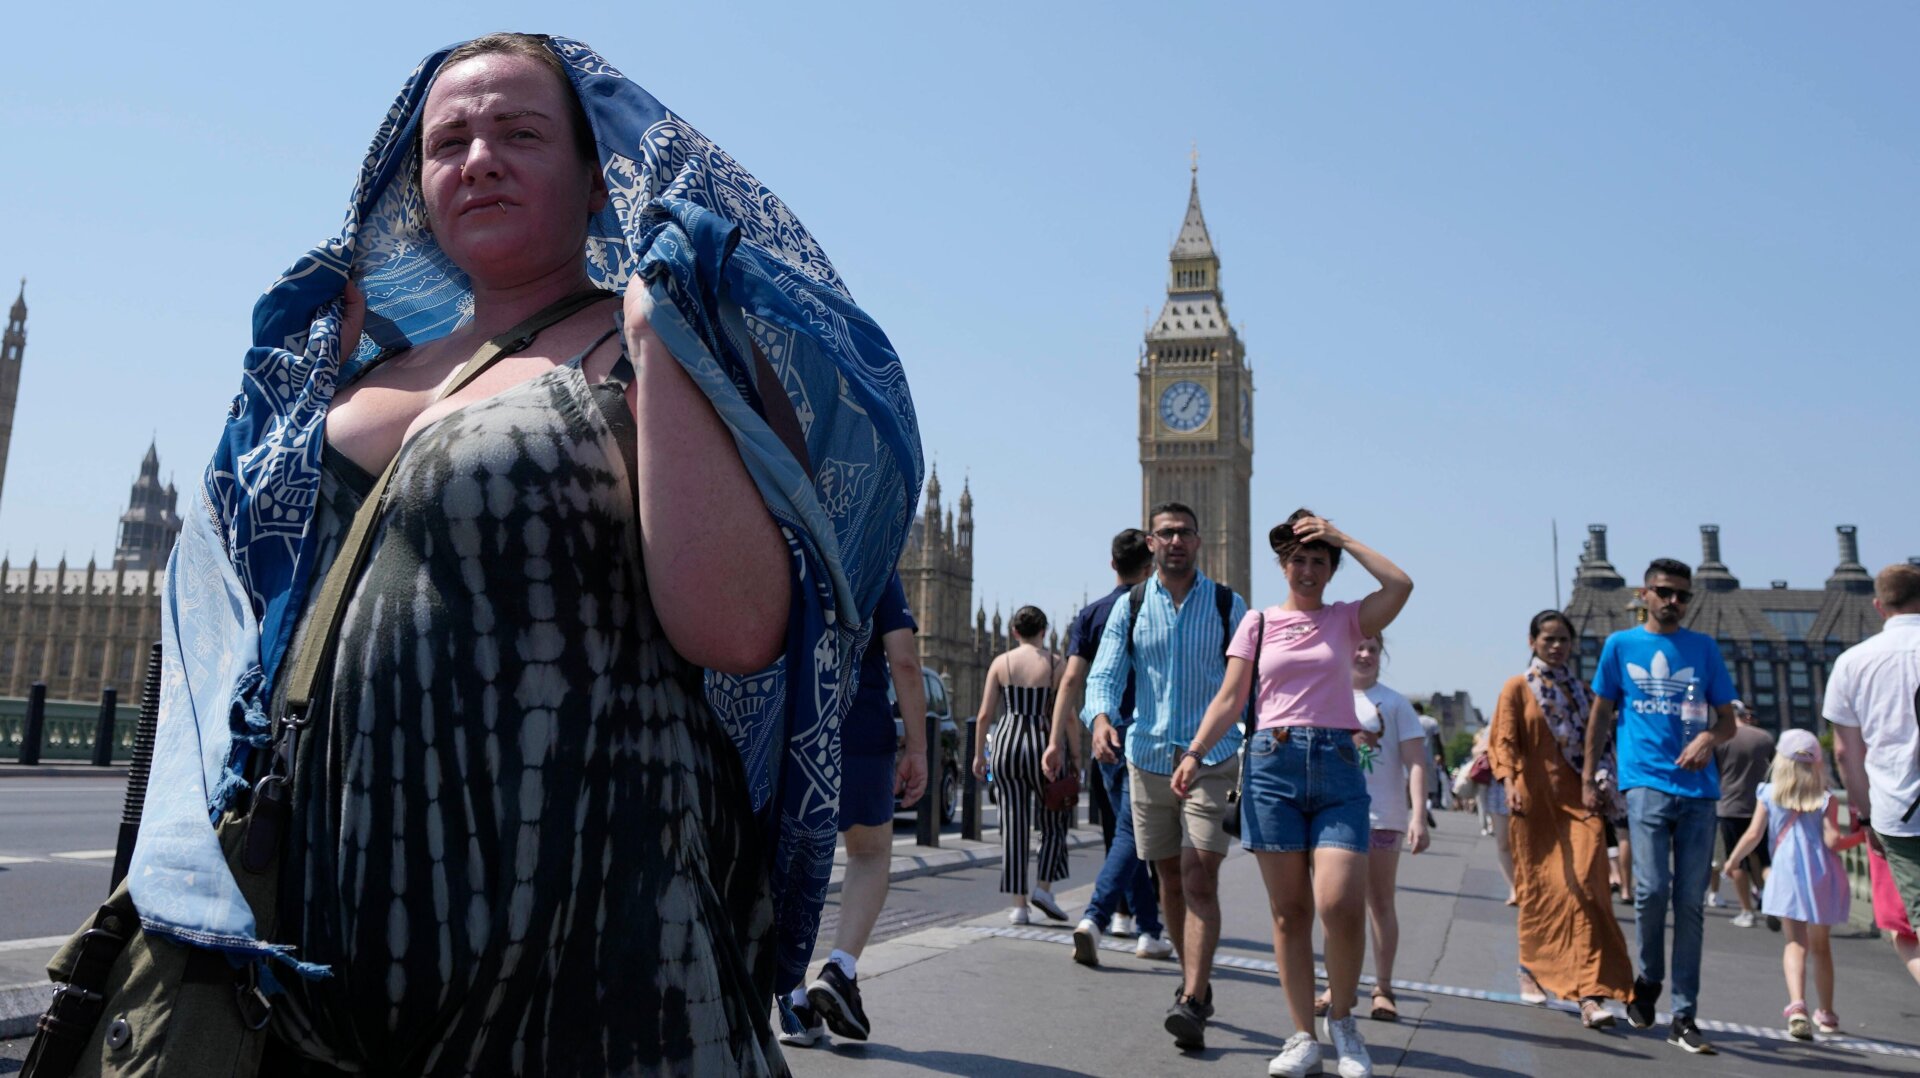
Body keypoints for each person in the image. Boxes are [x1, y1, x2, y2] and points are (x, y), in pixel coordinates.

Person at [107, 33, 921, 1078]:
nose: (479, 156)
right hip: (325, 948)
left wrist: (662, 332)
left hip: (586, 937)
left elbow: (734, 624)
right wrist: (290, 393)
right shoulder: (355, 369)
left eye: (520, 132)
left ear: (597, 179)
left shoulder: (648, 345)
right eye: (448, 140)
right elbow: (240, 617)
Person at [1175, 509, 1412, 1078]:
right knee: (1289, 913)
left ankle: (1345, 1021)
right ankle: (1303, 1034)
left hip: (1335, 767)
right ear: (1284, 566)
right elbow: (1231, 697)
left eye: (1318, 561)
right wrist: (1195, 751)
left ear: (1331, 569)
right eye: (1299, 560)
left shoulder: (1348, 619)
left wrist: (1341, 537)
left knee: (1340, 905)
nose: (1308, 570)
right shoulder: (1256, 623)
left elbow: (1400, 584)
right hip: (1270, 765)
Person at [1083, 502, 1249, 1052]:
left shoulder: (1229, 605)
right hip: (1148, 757)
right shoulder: (1131, 607)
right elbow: (1105, 672)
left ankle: (1192, 997)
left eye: (1185, 533)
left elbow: (1245, 683)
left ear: (1199, 542)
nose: (1176, 541)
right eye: (1166, 533)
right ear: (1151, 543)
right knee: (1169, 880)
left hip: (1213, 757)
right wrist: (1101, 718)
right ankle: (1191, 981)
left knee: (1199, 874)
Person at [1584, 558, 1739, 1055]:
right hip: (1645, 781)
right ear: (1644, 594)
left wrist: (1708, 742)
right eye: (1665, 592)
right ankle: (1648, 977)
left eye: (1682, 595)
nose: (1674, 602)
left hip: (1700, 790)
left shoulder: (1704, 648)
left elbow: (1728, 721)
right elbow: (1601, 713)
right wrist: (1588, 777)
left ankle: (1685, 1013)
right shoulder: (1620, 645)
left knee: (1691, 903)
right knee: (1651, 890)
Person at [783, 574, 925, 1047]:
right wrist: (918, 749)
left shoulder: (782, 536)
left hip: (789, 719)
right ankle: (840, 968)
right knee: (868, 853)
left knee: (789, 857)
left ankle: (793, 998)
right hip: (859, 723)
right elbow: (903, 660)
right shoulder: (875, 546)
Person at [1487, 611, 1634, 1029]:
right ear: (1532, 641)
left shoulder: (1584, 693)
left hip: (1582, 802)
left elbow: (1603, 741)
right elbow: (1505, 739)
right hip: (1534, 806)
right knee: (1542, 890)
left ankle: (1590, 991)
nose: (1556, 646)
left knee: (1589, 886)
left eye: (1564, 640)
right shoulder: (1517, 687)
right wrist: (1510, 781)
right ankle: (1531, 969)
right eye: (1549, 639)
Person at [1046, 528, 1172, 965]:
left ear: (1112, 564)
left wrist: (1056, 739)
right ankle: (1097, 916)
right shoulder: (1159, 608)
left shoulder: (1093, 614)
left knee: (1127, 829)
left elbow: (1071, 681)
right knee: (1132, 832)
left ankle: (1149, 929)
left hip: (1105, 736)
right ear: (1150, 566)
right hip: (1150, 738)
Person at [1722, 730, 1864, 1039]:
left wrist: (1733, 862)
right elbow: (1833, 840)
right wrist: (1862, 836)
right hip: (1821, 876)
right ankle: (1827, 1015)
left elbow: (1753, 835)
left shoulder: (1769, 794)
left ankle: (1797, 1007)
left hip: (1786, 874)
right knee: (1821, 947)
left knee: (1794, 943)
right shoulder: (1825, 799)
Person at [1317, 633, 1428, 1022]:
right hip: (1333, 815)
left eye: (1373, 649)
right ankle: (1336, 984)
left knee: (1379, 902)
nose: (1364, 655)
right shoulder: (1326, 694)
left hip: (1383, 816)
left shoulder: (1395, 703)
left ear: (1382, 655)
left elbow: (1416, 762)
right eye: (1358, 647)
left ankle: (1383, 987)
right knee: (1336, 904)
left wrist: (1418, 815)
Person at [1828, 563, 1920, 940]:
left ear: (1879, 606)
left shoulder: (1852, 663)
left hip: (1897, 811)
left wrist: (1865, 819)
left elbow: (1844, 754)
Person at [975, 607, 1070, 924]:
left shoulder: (1001, 663)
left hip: (1006, 745)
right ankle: (1043, 887)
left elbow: (985, 715)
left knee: (1012, 825)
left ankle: (1019, 906)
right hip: (1044, 744)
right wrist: (1076, 757)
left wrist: (978, 755)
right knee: (1054, 820)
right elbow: (1067, 715)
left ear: (1014, 632)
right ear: (1044, 631)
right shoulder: (1057, 664)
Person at [1712, 700, 1777, 929]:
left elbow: (1714, 772)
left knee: (1736, 860)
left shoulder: (1720, 741)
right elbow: (1775, 771)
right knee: (1764, 859)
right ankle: (1770, 900)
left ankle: (1746, 911)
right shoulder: (1764, 737)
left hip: (1730, 806)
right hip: (1761, 803)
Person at [1471, 726, 1517, 903]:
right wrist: (1488, 748)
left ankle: (1526, 885)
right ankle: (1514, 888)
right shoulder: (1496, 724)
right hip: (1498, 786)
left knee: (1522, 841)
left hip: (1525, 784)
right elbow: (1477, 749)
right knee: (1503, 841)